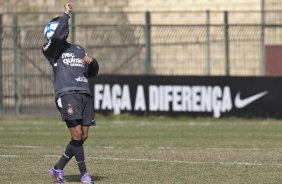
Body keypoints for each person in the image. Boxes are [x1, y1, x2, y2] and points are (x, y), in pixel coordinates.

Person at [42, 2, 99, 184]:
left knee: (83, 136)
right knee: (76, 134)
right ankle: (84, 174)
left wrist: (93, 62)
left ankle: (57, 169)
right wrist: (66, 14)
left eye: (66, 26)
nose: (66, 29)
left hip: (84, 93)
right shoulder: (50, 50)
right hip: (67, 94)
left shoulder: (78, 48)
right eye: (62, 26)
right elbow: (57, 37)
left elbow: (91, 72)